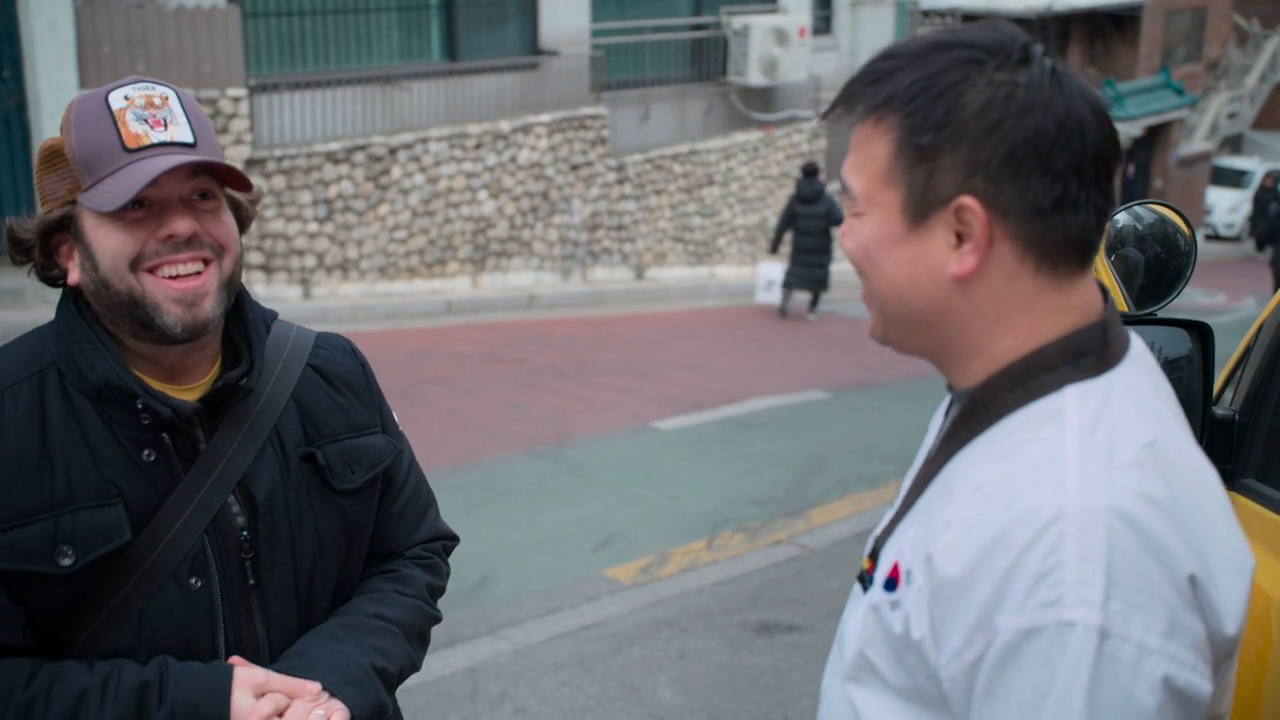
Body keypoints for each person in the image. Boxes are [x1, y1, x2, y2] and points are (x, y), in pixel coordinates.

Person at [815, 20, 1254, 720]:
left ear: (963, 233)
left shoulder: (1075, 565)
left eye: (857, 205)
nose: (844, 235)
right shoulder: (1027, 380)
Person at [0, 75, 459, 719]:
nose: (181, 225)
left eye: (202, 195)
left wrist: (325, 685)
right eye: (135, 204)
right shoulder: (12, 420)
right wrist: (198, 703)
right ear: (68, 251)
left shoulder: (329, 371)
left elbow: (411, 553)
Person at [770, 160, 844, 320]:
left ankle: (786, 298)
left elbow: (783, 222)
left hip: (801, 246)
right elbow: (838, 219)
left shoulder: (795, 199)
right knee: (818, 277)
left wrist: (775, 245)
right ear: (818, 175)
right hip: (820, 246)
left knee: (795, 273)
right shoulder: (826, 199)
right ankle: (812, 309)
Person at [1250, 171, 1278, 252]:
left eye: (1271, 181)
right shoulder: (1260, 191)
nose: (1269, 183)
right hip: (1260, 217)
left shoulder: (1274, 192)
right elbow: (1256, 204)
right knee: (1260, 235)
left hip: (1271, 219)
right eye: (1268, 180)